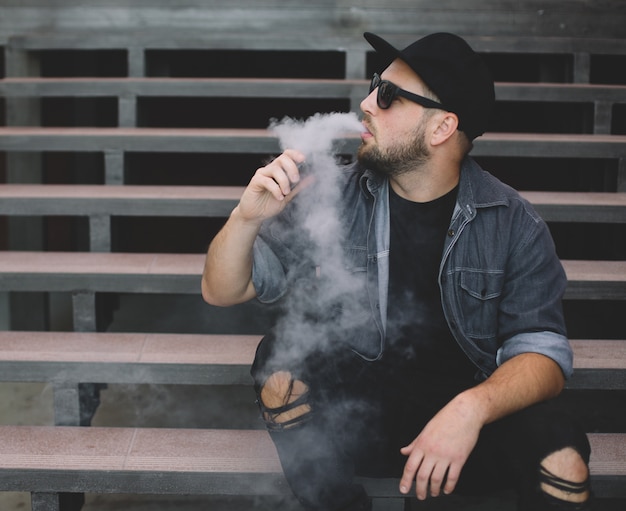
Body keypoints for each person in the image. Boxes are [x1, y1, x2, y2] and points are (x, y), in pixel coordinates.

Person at [202, 31, 592, 511]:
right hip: (357, 418)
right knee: (278, 364)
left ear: (441, 127)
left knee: (564, 458)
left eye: (387, 95)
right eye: (373, 85)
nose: (366, 103)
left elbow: (544, 357)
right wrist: (246, 218)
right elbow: (222, 290)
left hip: (462, 427)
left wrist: (470, 410)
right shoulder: (335, 196)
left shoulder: (513, 223)